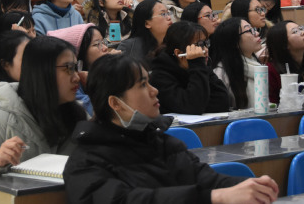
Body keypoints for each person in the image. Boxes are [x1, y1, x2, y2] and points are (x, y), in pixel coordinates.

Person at [63, 53, 280, 204]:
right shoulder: (86, 161)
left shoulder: (164, 143)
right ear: (116, 103)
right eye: (142, 85)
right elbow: (124, 200)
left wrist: (249, 187)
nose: (154, 91)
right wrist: (215, 198)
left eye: (150, 82)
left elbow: (207, 179)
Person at [0, 36, 87, 202]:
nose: (76, 77)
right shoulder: (0, 117)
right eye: (68, 68)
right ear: (42, 72)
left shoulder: (78, 117)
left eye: (76, 67)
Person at [150, 21, 229, 115]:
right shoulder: (160, 76)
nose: (205, 49)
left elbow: (222, 101)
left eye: (206, 43)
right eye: (199, 45)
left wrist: (200, 66)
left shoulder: (200, 66)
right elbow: (194, 107)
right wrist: (197, 64)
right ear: (179, 53)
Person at [48, 23, 118, 115]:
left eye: (103, 42)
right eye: (97, 44)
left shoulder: (102, 72)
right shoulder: (72, 83)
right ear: (80, 52)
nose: (105, 48)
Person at [265, 21, 304, 104]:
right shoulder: (271, 70)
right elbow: (273, 105)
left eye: (301, 28)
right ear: (284, 44)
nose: (303, 33)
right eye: (295, 32)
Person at [211, 18, 264, 109]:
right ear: (234, 41)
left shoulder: (258, 65)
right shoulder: (220, 74)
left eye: (254, 29)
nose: (257, 33)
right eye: (249, 31)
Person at [117, 0, 172, 68]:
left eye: (168, 13)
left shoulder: (175, 43)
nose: (169, 18)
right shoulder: (129, 47)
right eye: (163, 14)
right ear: (147, 23)